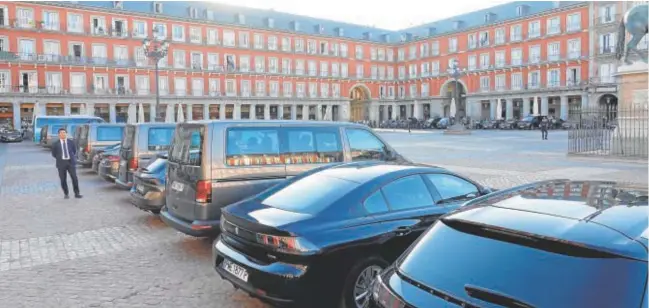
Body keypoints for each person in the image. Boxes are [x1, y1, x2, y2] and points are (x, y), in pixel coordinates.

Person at [51, 128, 82, 199]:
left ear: (66, 134)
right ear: (59, 135)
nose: (63, 134)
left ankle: (77, 193)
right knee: (63, 179)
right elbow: (54, 154)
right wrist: (60, 158)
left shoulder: (71, 142)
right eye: (61, 133)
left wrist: (71, 158)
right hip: (61, 163)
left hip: (71, 162)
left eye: (64, 132)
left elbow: (74, 151)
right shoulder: (55, 144)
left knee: (74, 178)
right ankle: (66, 193)